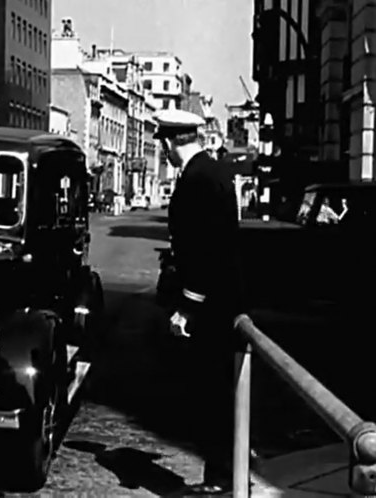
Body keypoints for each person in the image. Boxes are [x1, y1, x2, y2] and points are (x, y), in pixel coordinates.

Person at [156, 109, 249, 494]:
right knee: (212, 392)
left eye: (161, 141)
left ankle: (221, 481)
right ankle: (221, 475)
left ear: (168, 141)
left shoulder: (199, 178)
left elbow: (208, 250)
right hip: (216, 297)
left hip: (209, 303)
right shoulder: (209, 172)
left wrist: (188, 306)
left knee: (212, 394)